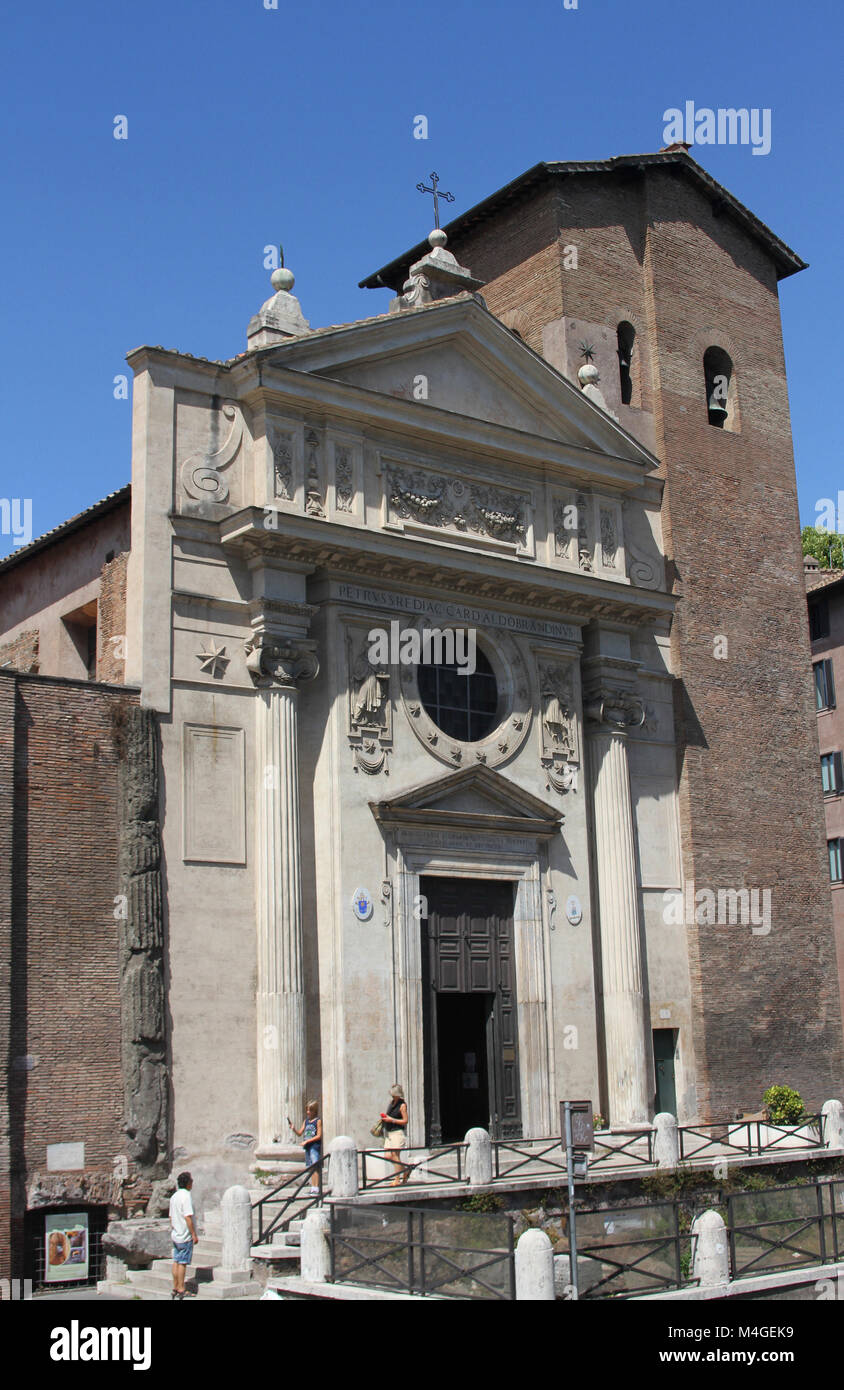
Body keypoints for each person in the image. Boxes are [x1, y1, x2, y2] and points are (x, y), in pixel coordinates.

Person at [169, 1172, 198, 1300]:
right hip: (184, 1235)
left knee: (176, 1261)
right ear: (187, 1183)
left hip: (175, 1234)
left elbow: (171, 1217)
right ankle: (181, 1288)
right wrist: (193, 1234)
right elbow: (188, 1216)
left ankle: (175, 1287)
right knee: (182, 1263)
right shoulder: (186, 1196)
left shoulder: (174, 1197)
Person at [290, 1100, 323, 1189]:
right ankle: (313, 1187)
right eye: (307, 1110)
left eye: (310, 1110)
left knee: (315, 1167)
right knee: (311, 1168)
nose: (308, 1112)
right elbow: (300, 1133)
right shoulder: (306, 1121)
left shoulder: (318, 1121)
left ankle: (317, 1187)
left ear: (315, 1110)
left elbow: (319, 1136)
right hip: (307, 1147)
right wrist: (293, 1129)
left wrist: (307, 1141)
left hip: (314, 1147)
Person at [381, 1084, 409, 1187]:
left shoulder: (402, 1105)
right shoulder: (391, 1103)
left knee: (395, 1155)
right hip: (389, 1133)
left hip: (397, 1132)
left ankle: (397, 1179)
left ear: (398, 1094)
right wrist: (385, 1118)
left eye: (394, 1095)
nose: (392, 1096)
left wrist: (391, 1120)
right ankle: (405, 1170)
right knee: (388, 1156)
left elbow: (405, 1121)